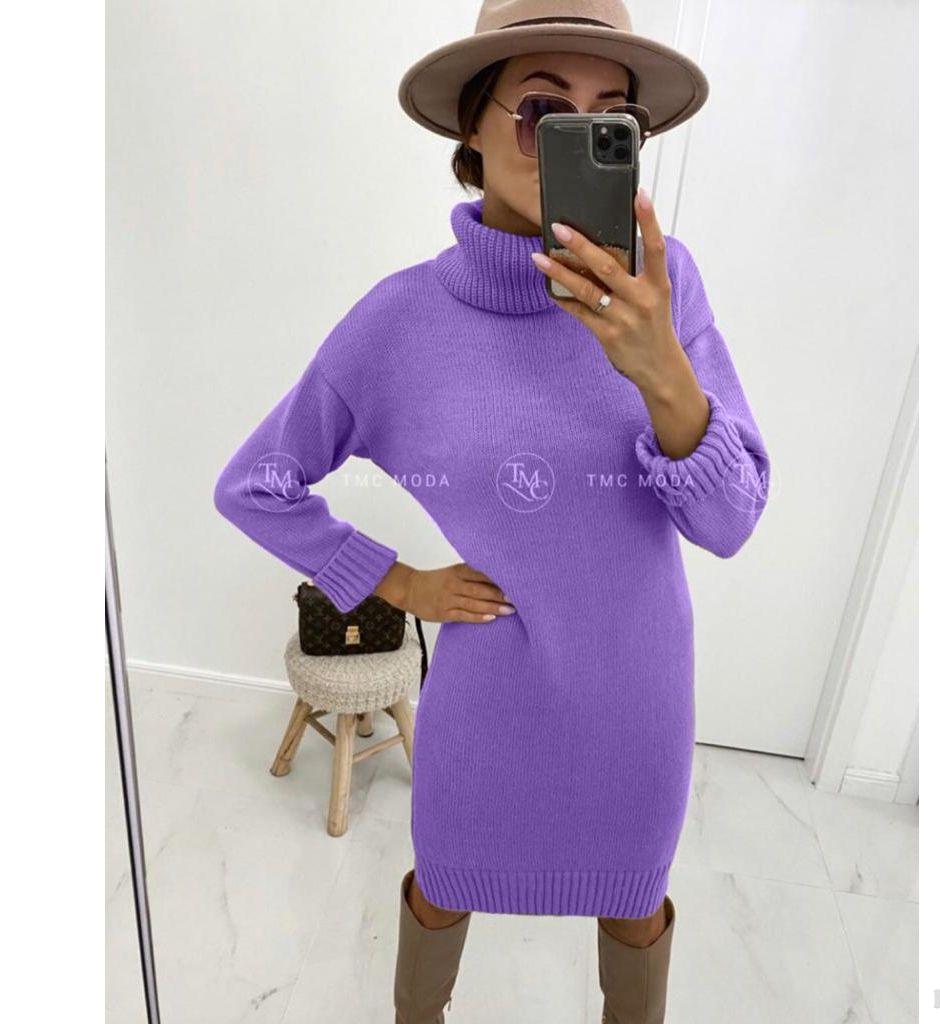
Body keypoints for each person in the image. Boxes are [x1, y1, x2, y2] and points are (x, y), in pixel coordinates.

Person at [213, 2, 771, 1021]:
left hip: (637, 688)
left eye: (611, 118)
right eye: (543, 110)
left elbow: (730, 524)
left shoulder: (665, 287)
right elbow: (255, 483)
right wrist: (397, 581)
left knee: (634, 907)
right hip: (488, 695)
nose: (574, 137)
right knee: (443, 887)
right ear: (471, 124)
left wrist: (662, 372)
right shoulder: (400, 321)